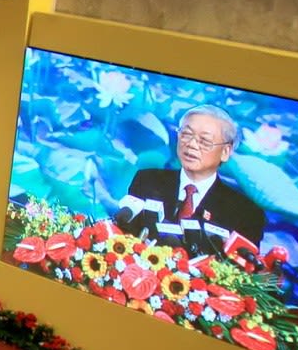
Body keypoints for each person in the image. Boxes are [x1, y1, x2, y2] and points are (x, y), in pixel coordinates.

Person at [114, 104, 267, 252]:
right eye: (186, 134)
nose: (192, 144)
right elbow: (125, 237)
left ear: (225, 152)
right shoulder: (147, 180)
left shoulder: (247, 213)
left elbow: (243, 268)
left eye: (204, 141)